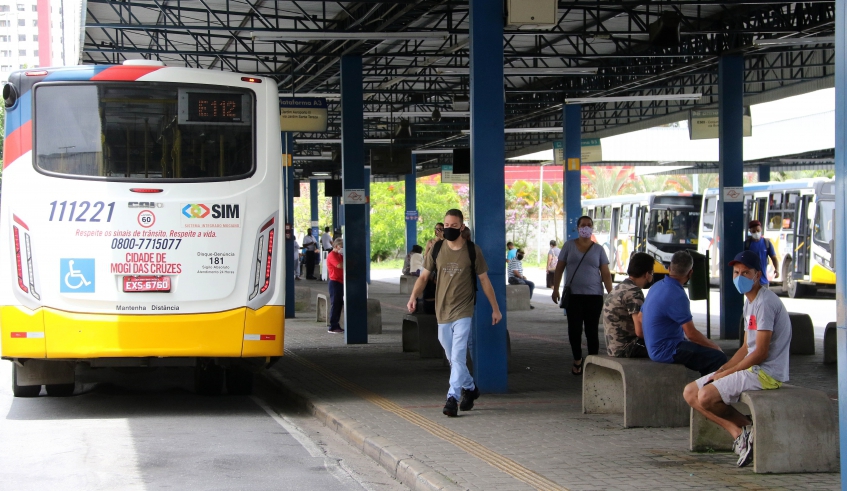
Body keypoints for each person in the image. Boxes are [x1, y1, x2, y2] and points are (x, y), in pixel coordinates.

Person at [683, 250, 792, 468]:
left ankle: (749, 428)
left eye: (745, 272)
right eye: (736, 272)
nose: (739, 276)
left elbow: (760, 353)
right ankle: (740, 434)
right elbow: (746, 347)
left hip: (766, 373)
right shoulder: (749, 302)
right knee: (690, 392)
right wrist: (723, 368)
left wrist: (728, 373)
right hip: (753, 368)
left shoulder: (765, 303)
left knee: (705, 396)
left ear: (757, 274)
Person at [407, 209, 502, 417]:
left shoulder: (472, 250)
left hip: (464, 309)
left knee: (458, 353)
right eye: (446, 225)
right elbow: (423, 277)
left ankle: (452, 398)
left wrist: (495, 308)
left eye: (453, 226)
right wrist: (413, 297)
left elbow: (485, 281)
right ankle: (470, 387)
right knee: (453, 356)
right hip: (442, 309)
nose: (448, 229)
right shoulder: (437, 249)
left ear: (462, 227)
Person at [641, 251, 726, 375]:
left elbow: (640, 317)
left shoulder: (656, 286)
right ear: (690, 272)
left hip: (655, 346)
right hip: (667, 350)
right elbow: (691, 334)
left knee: (701, 351)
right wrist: (715, 347)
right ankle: (706, 391)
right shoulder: (677, 295)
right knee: (718, 357)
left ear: (669, 268)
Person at [602, 252, 654, 358]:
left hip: (614, 348)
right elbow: (640, 332)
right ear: (647, 274)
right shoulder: (634, 292)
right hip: (627, 348)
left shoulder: (619, 287)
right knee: (668, 347)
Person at [743, 220, 779, 287]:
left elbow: (774, 258)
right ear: (750, 231)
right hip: (751, 282)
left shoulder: (767, 243)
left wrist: (777, 270)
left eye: (758, 230)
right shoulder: (746, 245)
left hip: (764, 282)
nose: (756, 233)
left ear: (761, 229)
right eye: (754, 231)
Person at [326, 238, 345, 333]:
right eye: (341, 247)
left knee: (339, 304)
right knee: (336, 304)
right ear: (337, 246)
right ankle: (333, 326)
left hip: (341, 282)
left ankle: (336, 324)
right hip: (335, 282)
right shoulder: (332, 255)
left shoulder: (339, 255)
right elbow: (339, 265)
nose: (343, 248)